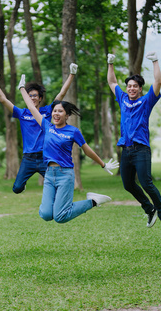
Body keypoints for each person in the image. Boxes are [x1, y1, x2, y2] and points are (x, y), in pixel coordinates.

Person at [18, 74, 118, 223]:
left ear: (67, 115)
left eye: (60, 111)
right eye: (54, 111)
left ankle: (93, 201)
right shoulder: (47, 126)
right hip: (49, 174)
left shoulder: (73, 131)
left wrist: (103, 164)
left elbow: (87, 150)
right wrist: (21, 88)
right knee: (45, 215)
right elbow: (32, 107)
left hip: (65, 175)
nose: (56, 114)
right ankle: (62, 205)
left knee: (60, 217)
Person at [106, 52, 161, 237]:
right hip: (126, 150)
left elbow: (158, 82)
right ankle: (149, 209)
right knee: (128, 184)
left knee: (146, 183)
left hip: (141, 149)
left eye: (135, 86)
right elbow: (112, 83)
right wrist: (110, 63)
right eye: (129, 86)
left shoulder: (146, 101)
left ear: (141, 89)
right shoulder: (123, 99)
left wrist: (155, 61)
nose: (131, 88)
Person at [0, 64, 78, 194]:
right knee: (17, 189)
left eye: (35, 95)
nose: (32, 98)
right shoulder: (22, 113)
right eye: (30, 95)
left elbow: (62, 93)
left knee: (55, 186)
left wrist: (72, 74)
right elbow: (3, 100)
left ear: (40, 98)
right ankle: (23, 185)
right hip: (28, 158)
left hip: (45, 157)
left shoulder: (48, 111)